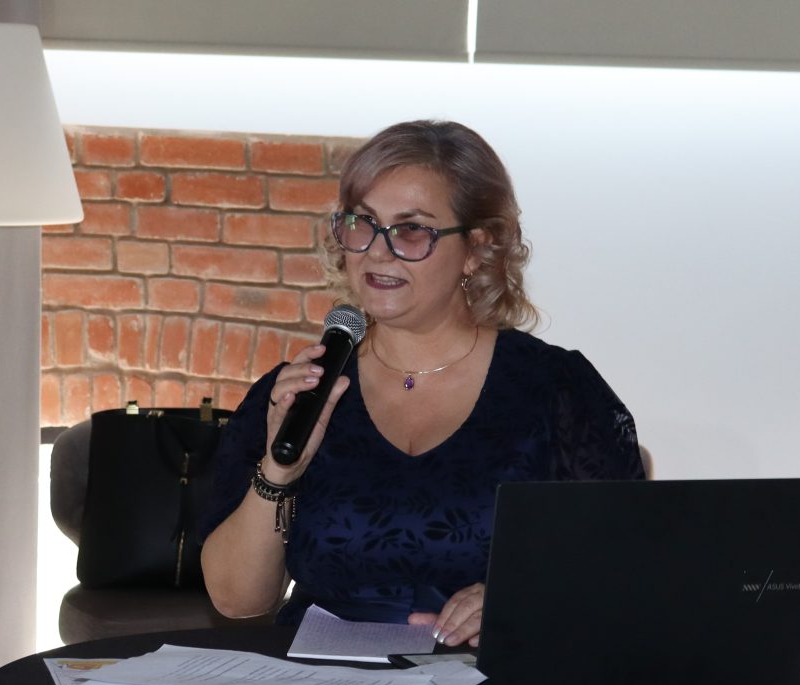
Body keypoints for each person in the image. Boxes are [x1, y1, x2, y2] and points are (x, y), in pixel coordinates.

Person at [200, 119, 644, 648]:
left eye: (411, 230)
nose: (377, 251)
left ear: (477, 247)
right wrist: (280, 470)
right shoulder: (298, 393)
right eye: (362, 222)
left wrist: (530, 596)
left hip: (488, 680)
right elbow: (237, 601)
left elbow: (629, 566)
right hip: (322, 681)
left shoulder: (556, 389)